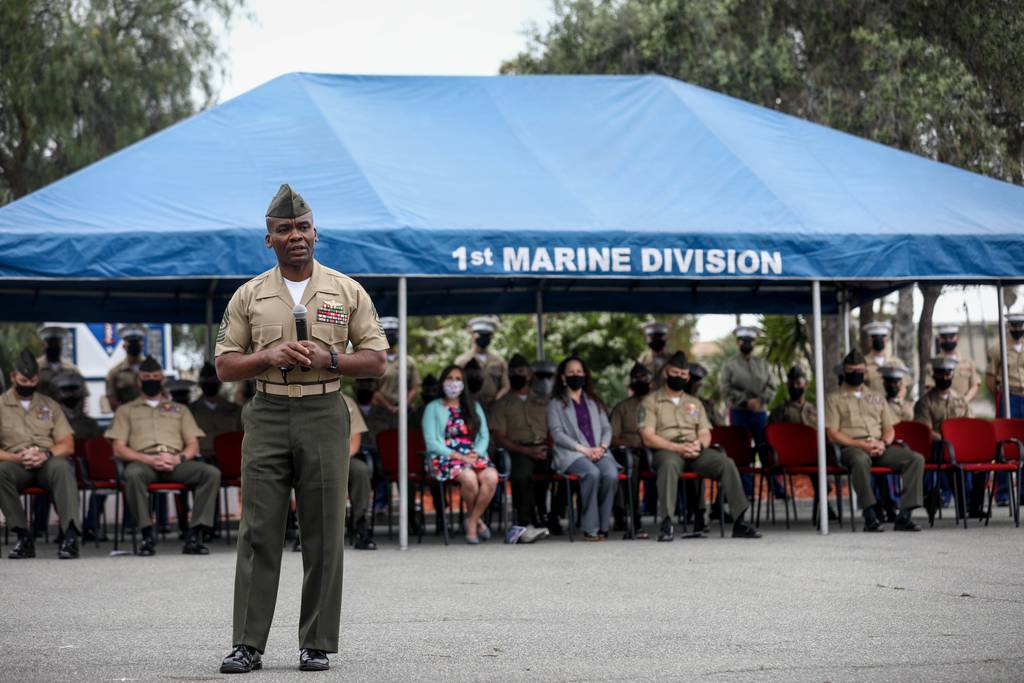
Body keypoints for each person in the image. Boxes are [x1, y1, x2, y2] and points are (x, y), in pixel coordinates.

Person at [216, 184, 387, 674]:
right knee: (258, 532)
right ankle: (248, 643)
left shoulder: (345, 290)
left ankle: (316, 642)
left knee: (325, 532)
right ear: (268, 239)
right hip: (267, 413)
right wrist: (267, 355)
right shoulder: (250, 295)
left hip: (324, 411)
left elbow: (377, 360)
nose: (296, 235)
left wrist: (330, 357)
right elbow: (226, 366)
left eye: (303, 226)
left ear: (316, 232)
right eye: (284, 229)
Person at [640, 351, 761, 541]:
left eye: (683, 374)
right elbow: (648, 437)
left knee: (726, 463)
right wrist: (677, 448)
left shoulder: (694, 403)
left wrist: (700, 446)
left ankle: (739, 521)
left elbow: (705, 432)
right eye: (675, 373)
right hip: (667, 450)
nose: (679, 377)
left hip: (695, 449)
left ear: (688, 377)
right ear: (666, 372)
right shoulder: (651, 401)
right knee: (669, 466)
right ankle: (667, 522)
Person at [105, 356, 219, 555]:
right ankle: (147, 534)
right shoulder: (126, 410)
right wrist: (148, 459)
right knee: (132, 475)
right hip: (143, 462)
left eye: (155, 376)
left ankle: (195, 534)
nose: (151, 380)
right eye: (147, 377)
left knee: (210, 473)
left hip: (175, 462)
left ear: (162, 379)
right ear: (139, 380)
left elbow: (193, 443)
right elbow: (119, 448)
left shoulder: (179, 409)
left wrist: (179, 458)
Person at [824, 349, 925, 532]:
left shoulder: (876, 397)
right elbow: (832, 433)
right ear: (844, 373)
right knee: (860, 460)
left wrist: (883, 443)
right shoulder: (833, 399)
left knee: (915, 459)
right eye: (852, 371)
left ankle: (904, 515)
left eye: (860, 371)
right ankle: (870, 514)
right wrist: (860, 445)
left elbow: (889, 428)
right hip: (851, 447)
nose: (856, 375)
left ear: (866, 372)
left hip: (879, 445)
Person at [0, 351, 81, 559]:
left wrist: (45, 455)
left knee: (64, 467)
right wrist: (18, 458)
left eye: (33, 380)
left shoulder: (50, 405)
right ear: (13, 377)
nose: (28, 384)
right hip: (15, 463)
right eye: (23, 380)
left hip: (46, 461)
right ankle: (23, 536)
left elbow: (67, 444)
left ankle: (70, 536)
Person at [422, 364, 498, 545]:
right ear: (442, 382)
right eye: (449, 378)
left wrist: (476, 453)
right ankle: (475, 524)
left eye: (458, 379)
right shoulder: (433, 408)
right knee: (470, 479)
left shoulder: (473, 406)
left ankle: (471, 520)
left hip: (473, 454)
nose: (453, 383)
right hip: (446, 457)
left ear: (464, 383)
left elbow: (484, 435)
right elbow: (431, 442)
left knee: (492, 477)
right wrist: (458, 456)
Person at [546, 356, 617, 541]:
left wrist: (602, 447)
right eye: (571, 372)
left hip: (599, 451)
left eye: (579, 372)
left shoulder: (594, 401)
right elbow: (557, 434)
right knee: (592, 473)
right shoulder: (555, 404)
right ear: (563, 377)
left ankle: (603, 526)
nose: (575, 375)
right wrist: (584, 450)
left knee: (611, 475)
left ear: (585, 375)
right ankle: (590, 528)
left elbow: (607, 428)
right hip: (572, 454)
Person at [489, 354, 552, 533]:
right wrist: (526, 450)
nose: (517, 375)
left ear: (530, 374)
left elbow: (555, 429)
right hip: (517, 450)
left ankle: (550, 515)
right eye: (513, 372)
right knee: (521, 475)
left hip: (544, 447)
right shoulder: (501, 405)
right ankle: (524, 520)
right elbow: (499, 436)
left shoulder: (543, 401)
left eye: (521, 371)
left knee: (567, 470)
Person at [915, 357, 980, 517]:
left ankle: (973, 505)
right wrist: (947, 439)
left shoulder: (960, 399)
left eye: (948, 374)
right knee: (953, 459)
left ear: (952, 375)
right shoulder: (925, 402)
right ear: (935, 376)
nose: (945, 377)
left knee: (981, 461)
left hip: (960, 445)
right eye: (941, 374)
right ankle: (957, 503)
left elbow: (969, 422)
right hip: (938, 446)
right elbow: (926, 430)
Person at [54, 371, 107, 542]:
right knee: (54, 482)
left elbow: (99, 453)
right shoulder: (51, 423)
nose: (70, 395)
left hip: (88, 471)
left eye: (74, 390)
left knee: (104, 485)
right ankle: (66, 526)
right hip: (63, 468)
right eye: (65, 390)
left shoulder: (91, 424)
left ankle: (91, 525)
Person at [609, 362, 651, 538]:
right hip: (630, 451)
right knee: (629, 463)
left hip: (655, 450)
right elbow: (613, 437)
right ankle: (632, 516)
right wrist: (631, 444)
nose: (640, 380)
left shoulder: (658, 404)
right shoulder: (622, 408)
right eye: (636, 378)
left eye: (644, 377)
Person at [720, 326, 776, 445]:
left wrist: (760, 401)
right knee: (740, 448)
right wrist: (745, 401)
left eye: (750, 341)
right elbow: (725, 388)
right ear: (737, 342)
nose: (746, 344)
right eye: (743, 341)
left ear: (754, 343)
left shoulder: (762, 364)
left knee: (764, 446)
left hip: (759, 412)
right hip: (739, 413)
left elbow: (771, 387)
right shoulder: (730, 365)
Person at [342, 393, 376, 550]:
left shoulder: (347, 402)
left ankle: (360, 526)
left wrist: (336, 462)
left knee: (360, 470)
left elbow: (355, 440)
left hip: (343, 458)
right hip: (311, 459)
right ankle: (303, 534)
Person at [190, 362, 242, 461]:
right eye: (206, 380)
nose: (210, 383)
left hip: (231, 457)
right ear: (200, 383)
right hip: (201, 458)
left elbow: (241, 435)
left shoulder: (235, 410)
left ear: (220, 382)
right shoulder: (190, 410)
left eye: (213, 380)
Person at [372, 316, 420, 424]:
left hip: (405, 412)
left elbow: (415, 386)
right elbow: (372, 389)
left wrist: (404, 405)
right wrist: (389, 407)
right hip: (381, 413)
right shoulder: (374, 361)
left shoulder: (408, 361)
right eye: (387, 333)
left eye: (393, 333)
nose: (391, 336)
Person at [455, 317, 509, 411]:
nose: (484, 338)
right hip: (469, 407)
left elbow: (506, 386)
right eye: (480, 334)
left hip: (493, 408)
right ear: (472, 335)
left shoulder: (499, 361)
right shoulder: (462, 361)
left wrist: (496, 400)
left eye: (487, 335)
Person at [924, 324, 979, 401]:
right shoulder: (933, 363)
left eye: (951, 337)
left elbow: (974, 385)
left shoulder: (968, 362)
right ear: (939, 339)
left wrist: (964, 402)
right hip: (941, 407)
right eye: (944, 338)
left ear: (957, 338)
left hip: (963, 408)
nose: (948, 341)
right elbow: (929, 387)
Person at [986, 312, 1024, 419]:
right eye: (1014, 325)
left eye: (1020, 325)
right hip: (1009, 398)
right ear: (1009, 326)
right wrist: (1000, 395)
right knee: (1008, 432)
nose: (1017, 329)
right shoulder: (998, 349)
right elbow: (990, 377)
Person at [36, 325, 87, 400]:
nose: (53, 346)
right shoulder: (35, 367)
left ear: (61, 344)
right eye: (50, 343)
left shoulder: (72, 369)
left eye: (56, 343)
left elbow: (82, 396)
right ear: (44, 344)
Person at [105, 323, 149, 411]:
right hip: (126, 419)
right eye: (131, 345)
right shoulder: (115, 373)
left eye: (136, 344)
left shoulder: (153, 370)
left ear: (142, 346)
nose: (134, 347)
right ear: (124, 347)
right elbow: (112, 403)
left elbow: (163, 396)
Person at [863, 321, 911, 395]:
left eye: (882, 336)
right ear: (869, 340)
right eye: (874, 337)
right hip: (871, 405)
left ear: (887, 339)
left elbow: (904, 387)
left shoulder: (897, 363)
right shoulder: (863, 363)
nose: (879, 339)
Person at [685, 362, 724, 427]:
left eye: (698, 380)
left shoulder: (706, 404)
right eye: (693, 379)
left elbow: (720, 425)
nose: (697, 383)